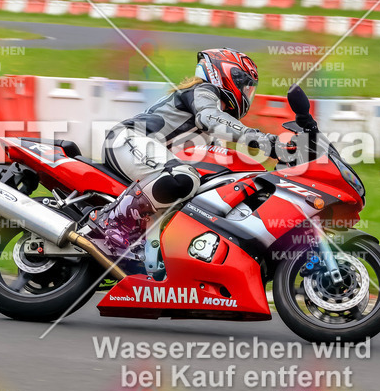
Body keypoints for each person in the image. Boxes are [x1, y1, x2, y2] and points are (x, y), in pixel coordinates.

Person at [87, 48, 281, 263]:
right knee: (183, 178)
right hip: (127, 139)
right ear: (227, 75)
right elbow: (212, 118)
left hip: (145, 154)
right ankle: (109, 224)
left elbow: (222, 154)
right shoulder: (204, 92)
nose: (247, 94)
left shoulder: (210, 115)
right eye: (244, 86)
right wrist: (266, 141)